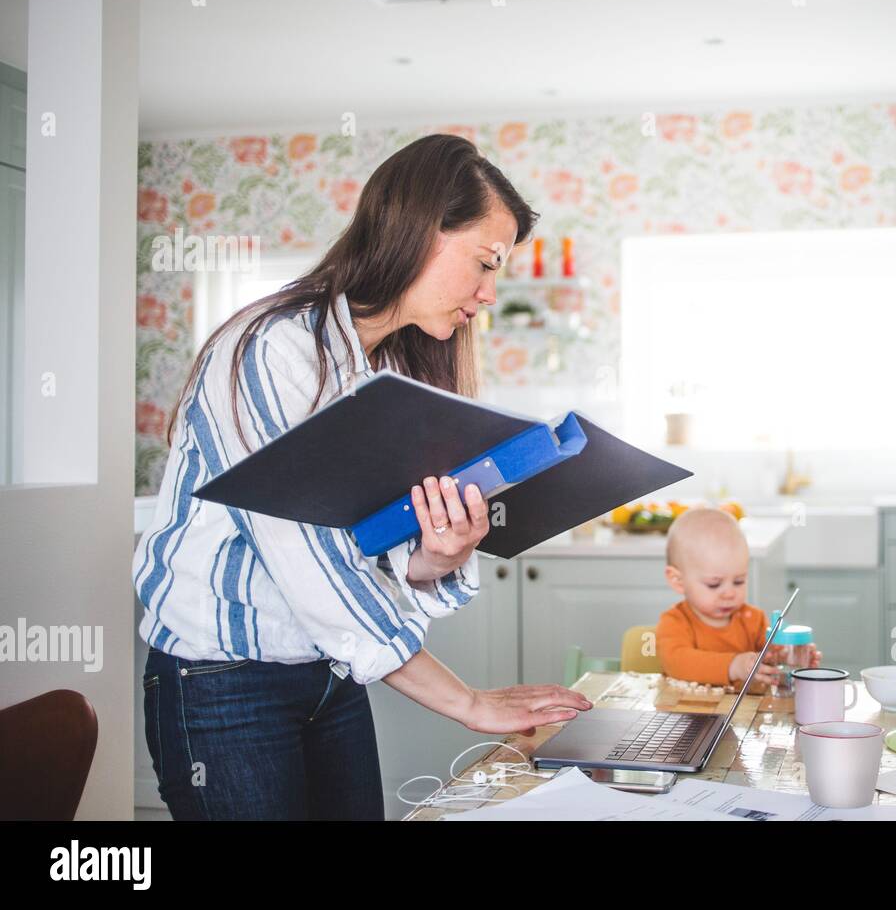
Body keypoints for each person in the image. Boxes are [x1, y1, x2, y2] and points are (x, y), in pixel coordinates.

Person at [132, 134, 591, 820]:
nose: (490, 293)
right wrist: (466, 702)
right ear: (418, 231)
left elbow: (367, 550)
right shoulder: (274, 348)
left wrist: (436, 556)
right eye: (485, 263)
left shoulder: (391, 375)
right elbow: (309, 565)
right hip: (223, 682)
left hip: (328, 675)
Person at [655, 506, 821, 688]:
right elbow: (678, 663)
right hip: (687, 712)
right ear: (677, 580)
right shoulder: (675, 622)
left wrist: (787, 655)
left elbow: (767, 660)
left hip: (740, 714)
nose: (729, 593)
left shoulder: (753, 619)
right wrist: (735, 665)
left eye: (739, 581)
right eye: (714, 584)